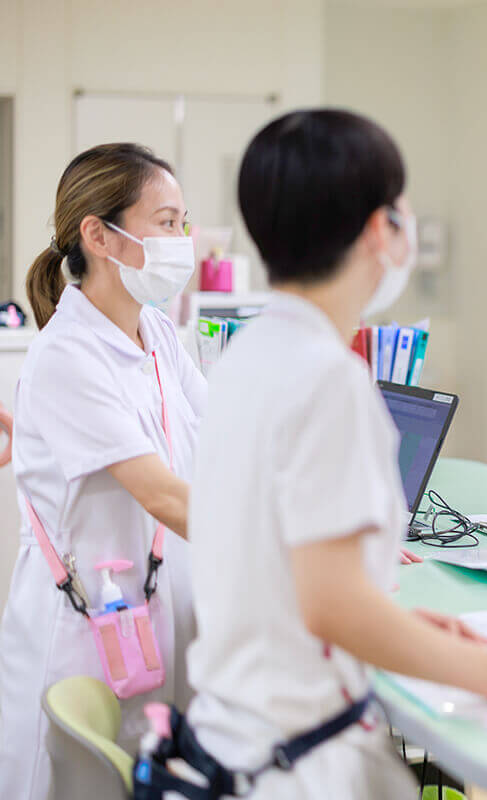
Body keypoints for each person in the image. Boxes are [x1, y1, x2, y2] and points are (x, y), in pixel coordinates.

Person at [184, 110, 487, 799]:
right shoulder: (326, 377)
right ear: (376, 230)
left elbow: (276, 563)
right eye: (401, 206)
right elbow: (335, 606)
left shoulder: (249, 355)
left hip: (234, 732)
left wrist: (404, 626)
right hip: (293, 762)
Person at [0, 143, 204, 800]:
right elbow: (165, 495)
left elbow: (221, 442)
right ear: (99, 235)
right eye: (166, 222)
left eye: (182, 223)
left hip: (146, 612)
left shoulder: (157, 335)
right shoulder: (68, 357)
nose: (182, 240)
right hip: (80, 627)